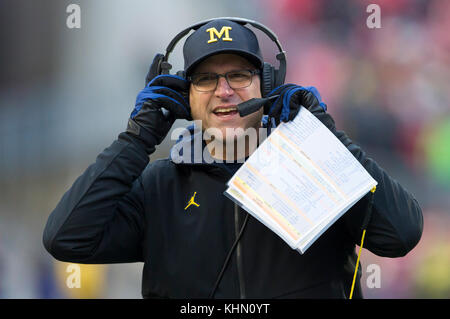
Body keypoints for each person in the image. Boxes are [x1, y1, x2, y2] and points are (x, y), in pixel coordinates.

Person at [43, 18, 423, 299]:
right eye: (206, 79)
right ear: (184, 97)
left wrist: (324, 138)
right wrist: (135, 139)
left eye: (239, 75)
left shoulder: (316, 168)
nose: (224, 91)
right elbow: (66, 238)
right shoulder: (158, 187)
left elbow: (401, 234)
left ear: (267, 86)